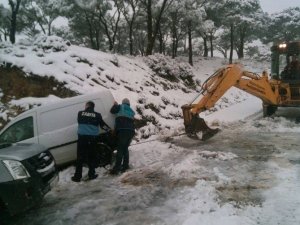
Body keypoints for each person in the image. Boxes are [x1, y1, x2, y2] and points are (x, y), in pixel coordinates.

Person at [71, 101, 110, 182]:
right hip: (92, 139)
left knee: (80, 158)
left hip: (82, 138)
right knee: (92, 157)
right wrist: (109, 130)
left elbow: (79, 122)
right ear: (93, 107)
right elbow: (103, 125)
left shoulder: (80, 113)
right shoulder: (97, 115)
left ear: (87, 106)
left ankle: (77, 177)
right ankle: (91, 174)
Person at [109, 98, 135, 175]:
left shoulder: (120, 107)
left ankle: (117, 168)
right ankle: (125, 165)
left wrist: (115, 105)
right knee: (125, 148)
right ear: (129, 104)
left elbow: (112, 111)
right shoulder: (131, 111)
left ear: (123, 103)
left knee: (120, 149)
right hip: (131, 131)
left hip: (123, 130)